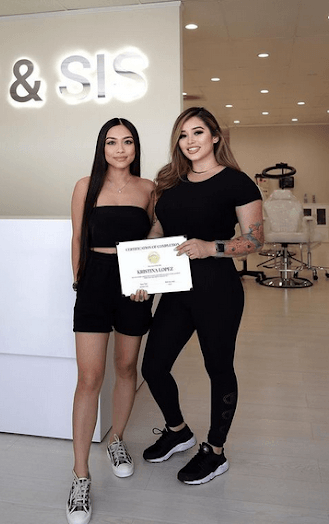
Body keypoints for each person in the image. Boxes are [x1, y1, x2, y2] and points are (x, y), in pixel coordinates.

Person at [132, 106, 263, 485]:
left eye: (198, 132)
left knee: (218, 368)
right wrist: (142, 272)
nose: (189, 141)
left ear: (215, 136)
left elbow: (255, 240)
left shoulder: (237, 182)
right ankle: (178, 431)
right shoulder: (169, 181)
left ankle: (215, 452)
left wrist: (210, 247)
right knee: (153, 367)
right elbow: (158, 231)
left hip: (217, 289)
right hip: (175, 289)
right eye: (183, 135)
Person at [67, 117, 155, 524]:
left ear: (135, 148)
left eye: (128, 142)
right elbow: (77, 237)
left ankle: (116, 439)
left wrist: (146, 278)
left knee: (126, 367)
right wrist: (78, 282)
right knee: (89, 377)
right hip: (95, 281)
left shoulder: (149, 189)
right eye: (112, 142)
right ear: (102, 147)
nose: (120, 149)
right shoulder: (85, 186)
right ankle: (80, 474)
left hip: (133, 285)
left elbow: (155, 237)